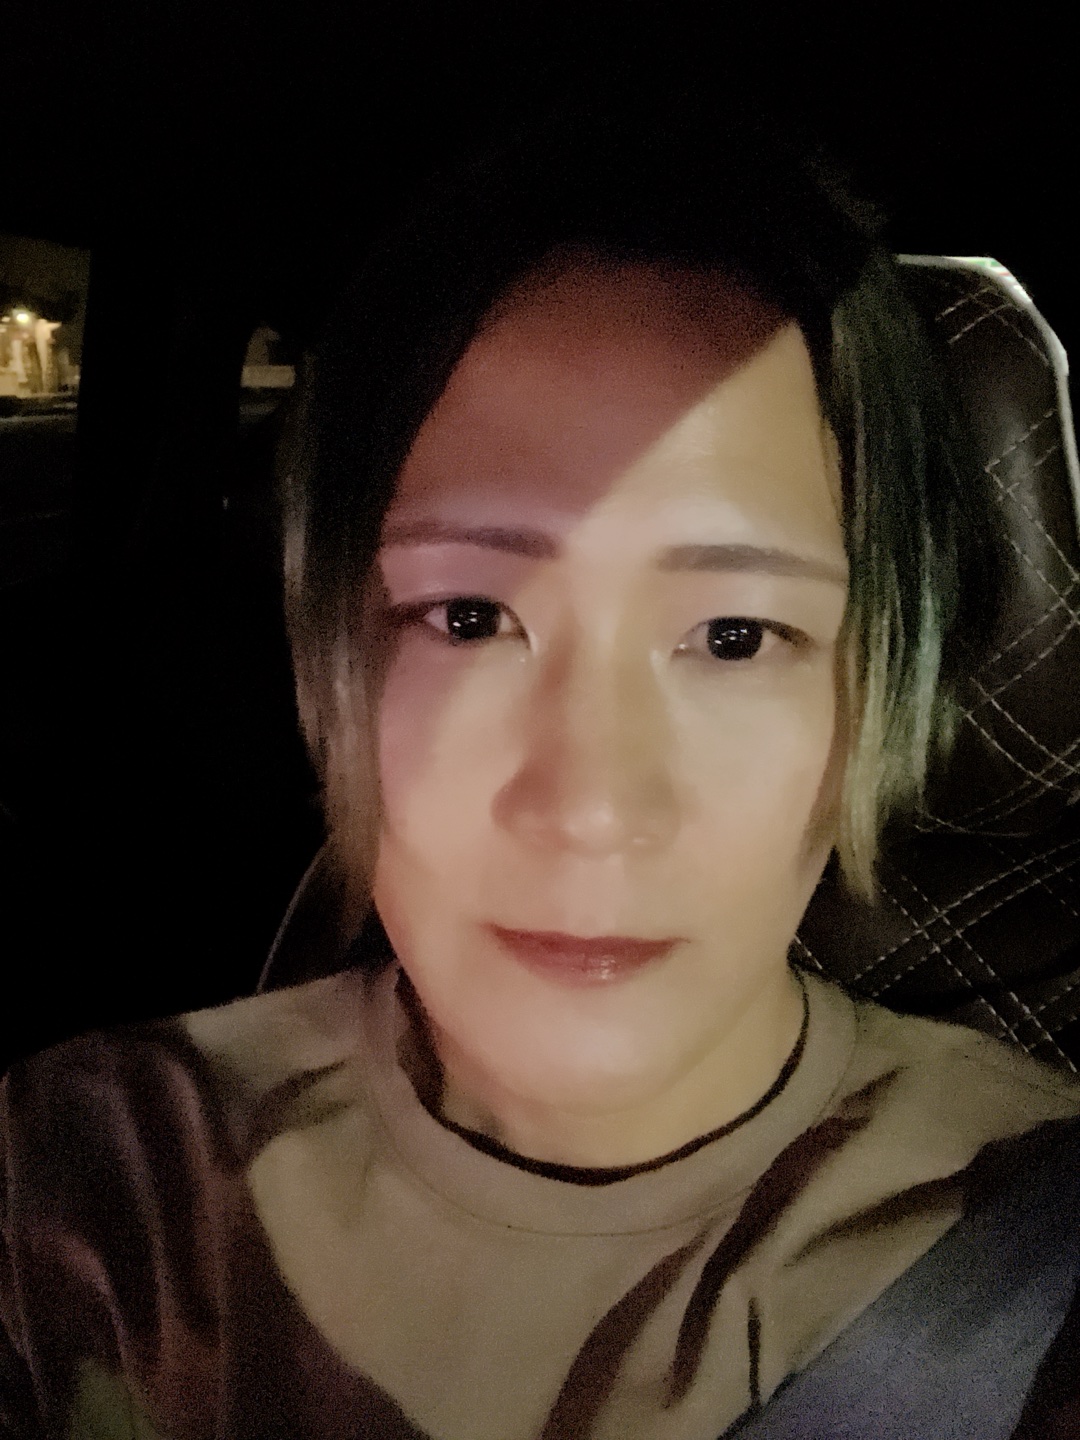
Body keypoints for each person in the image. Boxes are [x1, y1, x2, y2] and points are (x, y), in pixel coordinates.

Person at [3, 89, 1080, 1439]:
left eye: (735, 636)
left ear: (871, 696)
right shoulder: (89, 1186)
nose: (590, 808)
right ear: (331, 661)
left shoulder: (1034, 1242)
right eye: (468, 618)